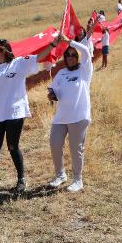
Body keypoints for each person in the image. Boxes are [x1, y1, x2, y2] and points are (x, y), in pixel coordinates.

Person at [0, 36, 64, 194]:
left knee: (12, 146)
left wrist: (53, 44)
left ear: (3, 51)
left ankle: (21, 179)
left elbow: (38, 57)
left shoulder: (18, 63)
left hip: (15, 112)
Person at [47, 33, 93, 193]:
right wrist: (52, 93)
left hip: (78, 117)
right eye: (68, 55)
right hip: (61, 117)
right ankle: (60, 175)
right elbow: (53, 88)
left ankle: (78, 180)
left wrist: (69, 41)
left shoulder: (84, 70)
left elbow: (86, 51)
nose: (71, 57)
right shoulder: (61, 73)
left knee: (76, 149)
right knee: (55, 144)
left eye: (74, 55)